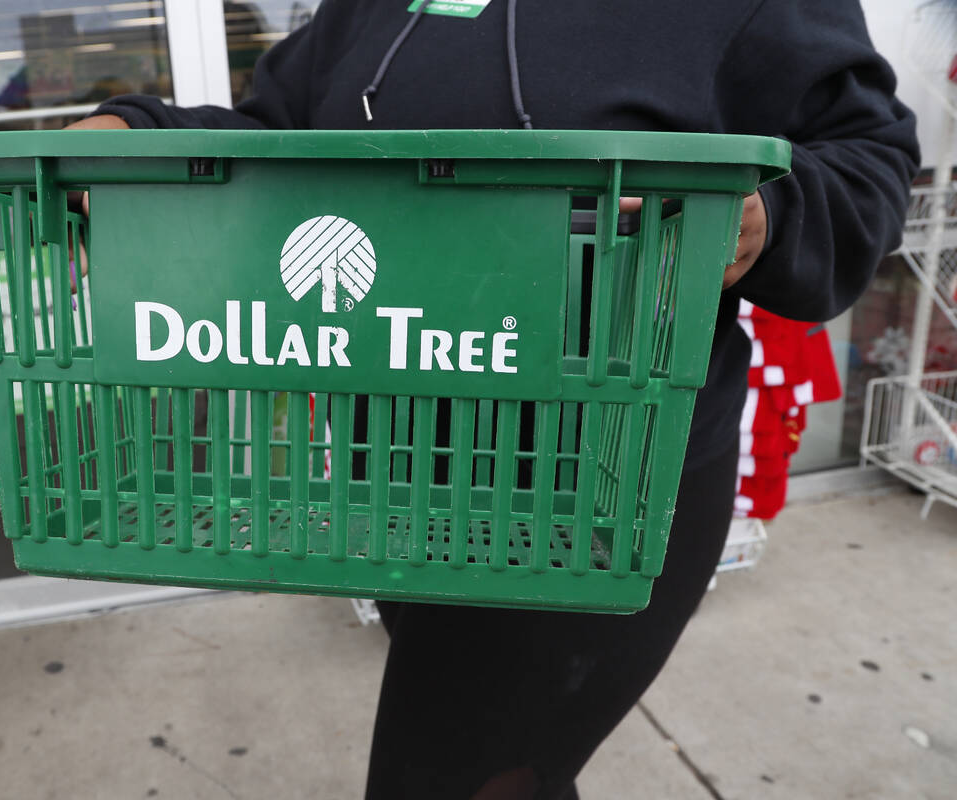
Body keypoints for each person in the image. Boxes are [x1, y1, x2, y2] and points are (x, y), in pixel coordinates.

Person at [68, 2, 919, 797]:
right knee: (506, 769)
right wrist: (139, 129)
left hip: (597, 490)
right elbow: (278, 131)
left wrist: (768, 211)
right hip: (396, 473)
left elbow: (869, 157)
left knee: (446, 773)